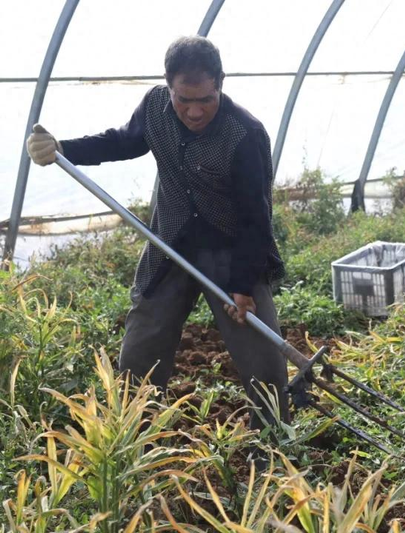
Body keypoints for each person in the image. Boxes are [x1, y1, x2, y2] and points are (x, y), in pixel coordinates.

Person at [26, 36, 288, 429]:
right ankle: (133, 435)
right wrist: (64, 149)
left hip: (232, 251)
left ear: (220, 83)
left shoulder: (244, 134)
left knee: (262, 356)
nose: (195, 111)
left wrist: (244, 284)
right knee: (142, 343)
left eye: (205, 100)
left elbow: (256, 218)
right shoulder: (154, 109)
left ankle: (276, 438)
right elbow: (123, 141)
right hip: (171, 243)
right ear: (168, 86)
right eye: (184, 100)